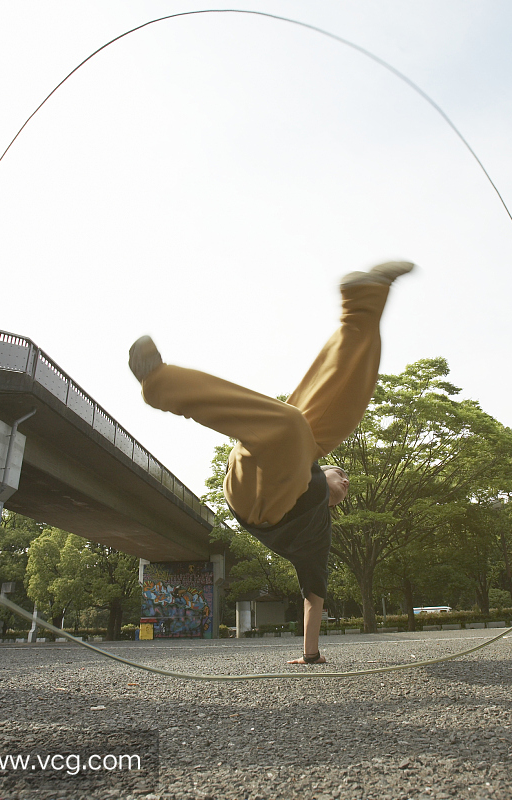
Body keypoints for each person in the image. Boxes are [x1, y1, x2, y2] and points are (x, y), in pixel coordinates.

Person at [128, 261, 414, 664]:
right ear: (326, 471)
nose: (346, 484)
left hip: (259, 504)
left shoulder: (319, 535)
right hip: (261, 463)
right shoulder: (307, 460)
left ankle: (161, 385)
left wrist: (310, 654)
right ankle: (363, 302)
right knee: (338, 416)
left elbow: (313, 595)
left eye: (346, 484)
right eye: (342, 474)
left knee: (294, 426)